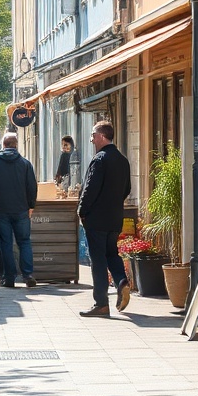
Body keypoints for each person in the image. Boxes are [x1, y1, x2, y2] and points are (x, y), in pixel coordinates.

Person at [77, 121, 132, 317]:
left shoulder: (99, 159)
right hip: (114, 218)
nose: (91, 139)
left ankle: (101, 304)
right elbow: (127, 189)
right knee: (111, 254)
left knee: (98, 260)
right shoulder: (122, 160)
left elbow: (90, 189)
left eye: (93, 135)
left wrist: (82, 211)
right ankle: (121, 281)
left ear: (101, 136)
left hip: (96, 220)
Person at [0, 132, 38, 288]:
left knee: (5, 243)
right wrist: (31, 206)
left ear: (3, 145)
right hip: (21, 210)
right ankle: (28, 275)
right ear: (16, 145)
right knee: (24, 242)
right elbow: (32, 186)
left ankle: (9, 278)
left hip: (1, 210)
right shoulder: (25, 164)